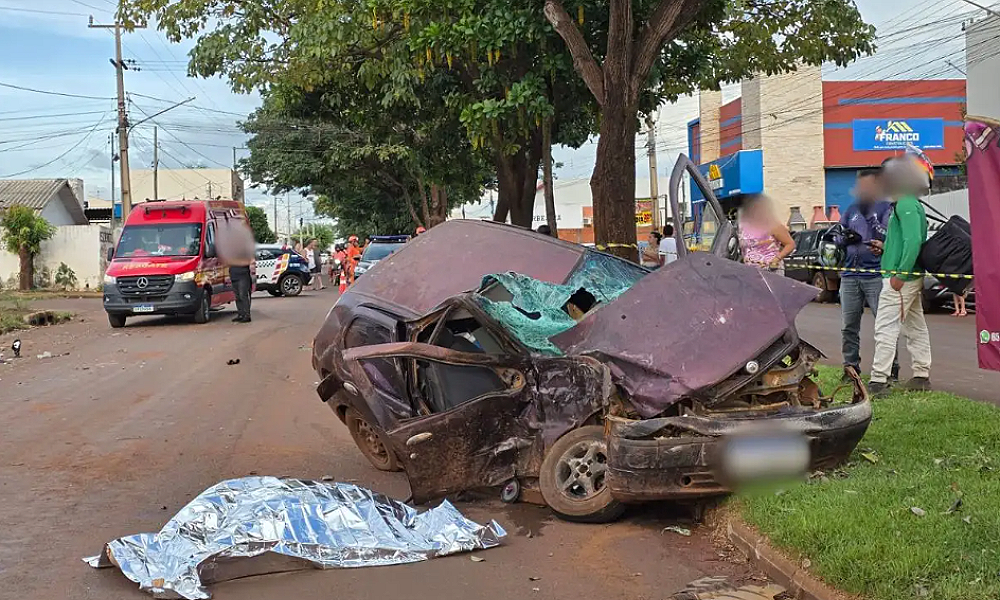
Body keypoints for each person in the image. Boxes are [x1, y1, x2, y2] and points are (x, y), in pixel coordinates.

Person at [869, 154, 933, 395]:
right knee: (915, 327)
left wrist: (900, 275)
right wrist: (887, 248)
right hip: (907, 276)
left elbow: (914, 240)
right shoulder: (909, 203)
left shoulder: (905, 203)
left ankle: (878, 380)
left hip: (900, 279)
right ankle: (920, 375)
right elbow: (906, 241)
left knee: (886, 327)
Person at [837, 169, 899, 381]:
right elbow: (837, 234)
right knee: (848, 326)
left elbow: (890, 236)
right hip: (849, 275)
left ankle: (890, 369)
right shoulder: (851, 209)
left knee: (884, 325)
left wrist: (872, 224)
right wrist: (845, 238)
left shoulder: (886, 208)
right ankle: (850, 368)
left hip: (875, 275)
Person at [738, 194, 795, 274]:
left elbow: (790, 244)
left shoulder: (773, 225)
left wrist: (777, 259)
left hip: (770, 270)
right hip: (749, 271)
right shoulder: (743, 226)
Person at [216, 216, 255, 324]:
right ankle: (241, 313)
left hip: (243, 275)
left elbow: (251, 261)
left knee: (243, 295)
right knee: (237, 296)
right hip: (234, 274)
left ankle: (247, 315)